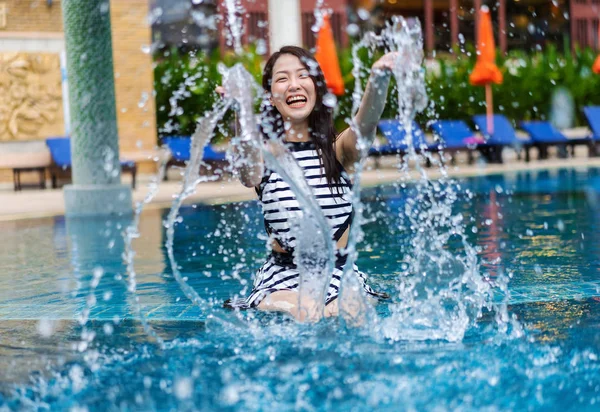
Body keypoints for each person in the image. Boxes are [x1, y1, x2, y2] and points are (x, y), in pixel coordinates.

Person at [223, 45, 397, 320]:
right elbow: (247, 172)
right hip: (282, 277)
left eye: (303, 76)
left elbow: (365, 126)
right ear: (270, 96)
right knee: (307, 309)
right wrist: (240, 109)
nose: (293, 85)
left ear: (316, 88)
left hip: (340, 273)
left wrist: (378, 80)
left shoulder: (338, 150)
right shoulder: (264, 156)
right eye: (282, 79)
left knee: (351, 313)